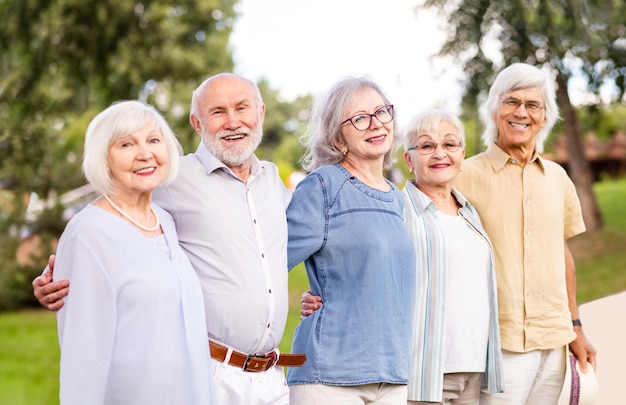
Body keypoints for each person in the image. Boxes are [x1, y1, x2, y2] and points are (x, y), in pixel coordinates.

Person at [33, 73, 305, 405]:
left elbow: (315, 235)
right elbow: (108, 216)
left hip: (271, 379)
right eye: (218, 111)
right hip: (212, 372)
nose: (233, 121)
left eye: (242, 108)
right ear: (196, 122)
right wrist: (57, 278)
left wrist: (324, 290)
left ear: (260, 113)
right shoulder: (171, 179)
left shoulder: (273, 181)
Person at [452, 63, 597, 404]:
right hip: (497, 345)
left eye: (533, 105)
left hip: (554, 341)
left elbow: (560, 253)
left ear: (545, 117)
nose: (521, 112)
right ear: (494, 110)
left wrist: (575, 326)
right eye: (511, 102)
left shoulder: (558, 178)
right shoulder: (463, 176)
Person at [53, 100, 212, 404]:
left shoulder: (163, 220)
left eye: (154, 140)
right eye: (126, 144)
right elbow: (83, 357)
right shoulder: (87, 233)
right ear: (104, 159)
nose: (145, 153)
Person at [286, 77, 417, 404]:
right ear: (337, 137)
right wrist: (311, 298)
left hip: (392, 375)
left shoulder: (396, 198)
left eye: (381, 112)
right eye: (359, 118)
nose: (375, 124)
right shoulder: (323, 187)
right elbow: (267, 263)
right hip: (330, 377)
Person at [402, 109, 505, 404]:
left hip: (472, 368)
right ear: (409, 160)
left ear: (462, 154)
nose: (439, 153)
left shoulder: (469, 213)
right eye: (426, 146)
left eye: (449, 144)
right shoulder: (398, 210)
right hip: (424, 372)